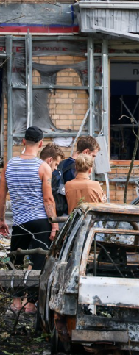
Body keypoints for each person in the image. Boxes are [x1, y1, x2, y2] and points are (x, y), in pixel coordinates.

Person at [0, 126, 58, 314]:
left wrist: (1, 220)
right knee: (39, 260)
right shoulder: (43, 167)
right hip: (40, 221)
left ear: (23, 141)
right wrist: (54, 223)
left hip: (20, 222)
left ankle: (16, 302)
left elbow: (2, 195)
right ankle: (31, 304)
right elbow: (48, 199)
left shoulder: (9, 165)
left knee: (15, 260)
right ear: (41, 144)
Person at [53, 136, 100, 216]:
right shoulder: (77, 168)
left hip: (59, 211)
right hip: (72, 214)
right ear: (86, 152)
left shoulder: (62, 163)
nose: (93, 159)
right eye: (93, 156)